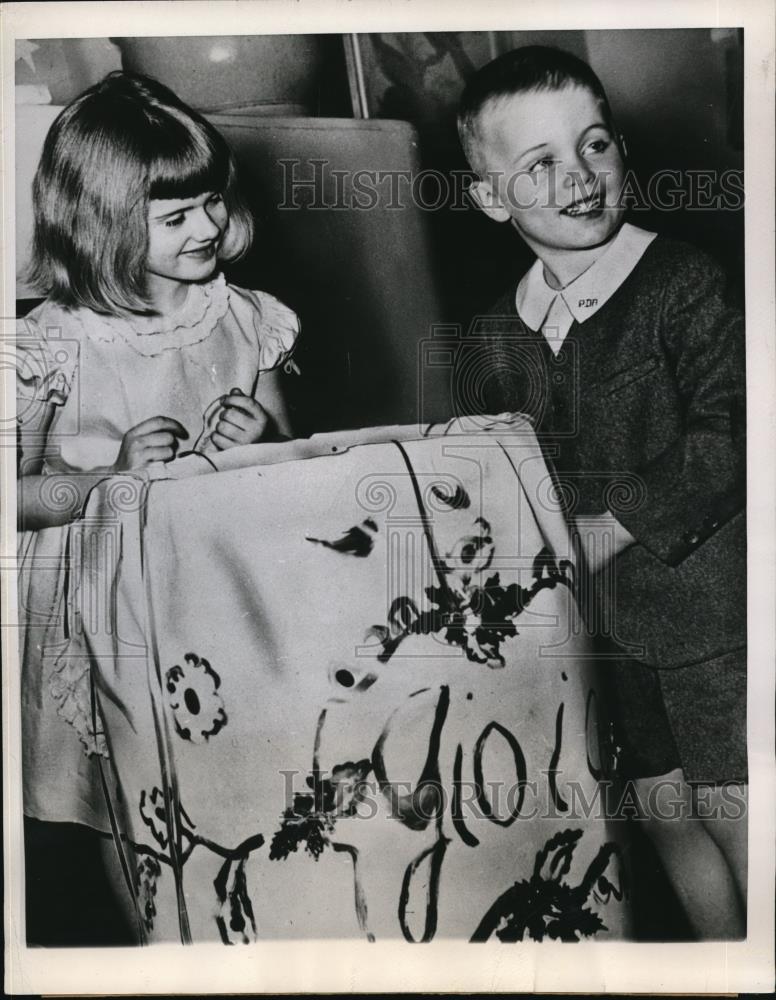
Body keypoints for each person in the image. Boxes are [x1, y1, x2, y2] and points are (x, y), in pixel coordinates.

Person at [454, 46, 746, 938]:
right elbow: (490, 478)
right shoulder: (495, 331)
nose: (580, 177)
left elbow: (734, 430)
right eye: (540, 164)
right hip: (598, 636)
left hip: (713, 622)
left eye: (594, 145)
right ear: (491, 197)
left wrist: (614, 523)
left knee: (737, 815)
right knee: (664, 818)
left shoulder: (681, 283)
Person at [16, 71, 299, 938]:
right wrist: (107, 479)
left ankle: (240, 933)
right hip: (101, 605)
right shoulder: (49, 345)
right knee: (126, 792)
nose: (209, 226)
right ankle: (152, 944)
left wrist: (262, 439)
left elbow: (297, 458)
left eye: (212, 202)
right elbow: (16, 495)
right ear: (100, 223)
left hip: (219, 582)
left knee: (230, 777)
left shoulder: (247, 318)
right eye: (175, 217)